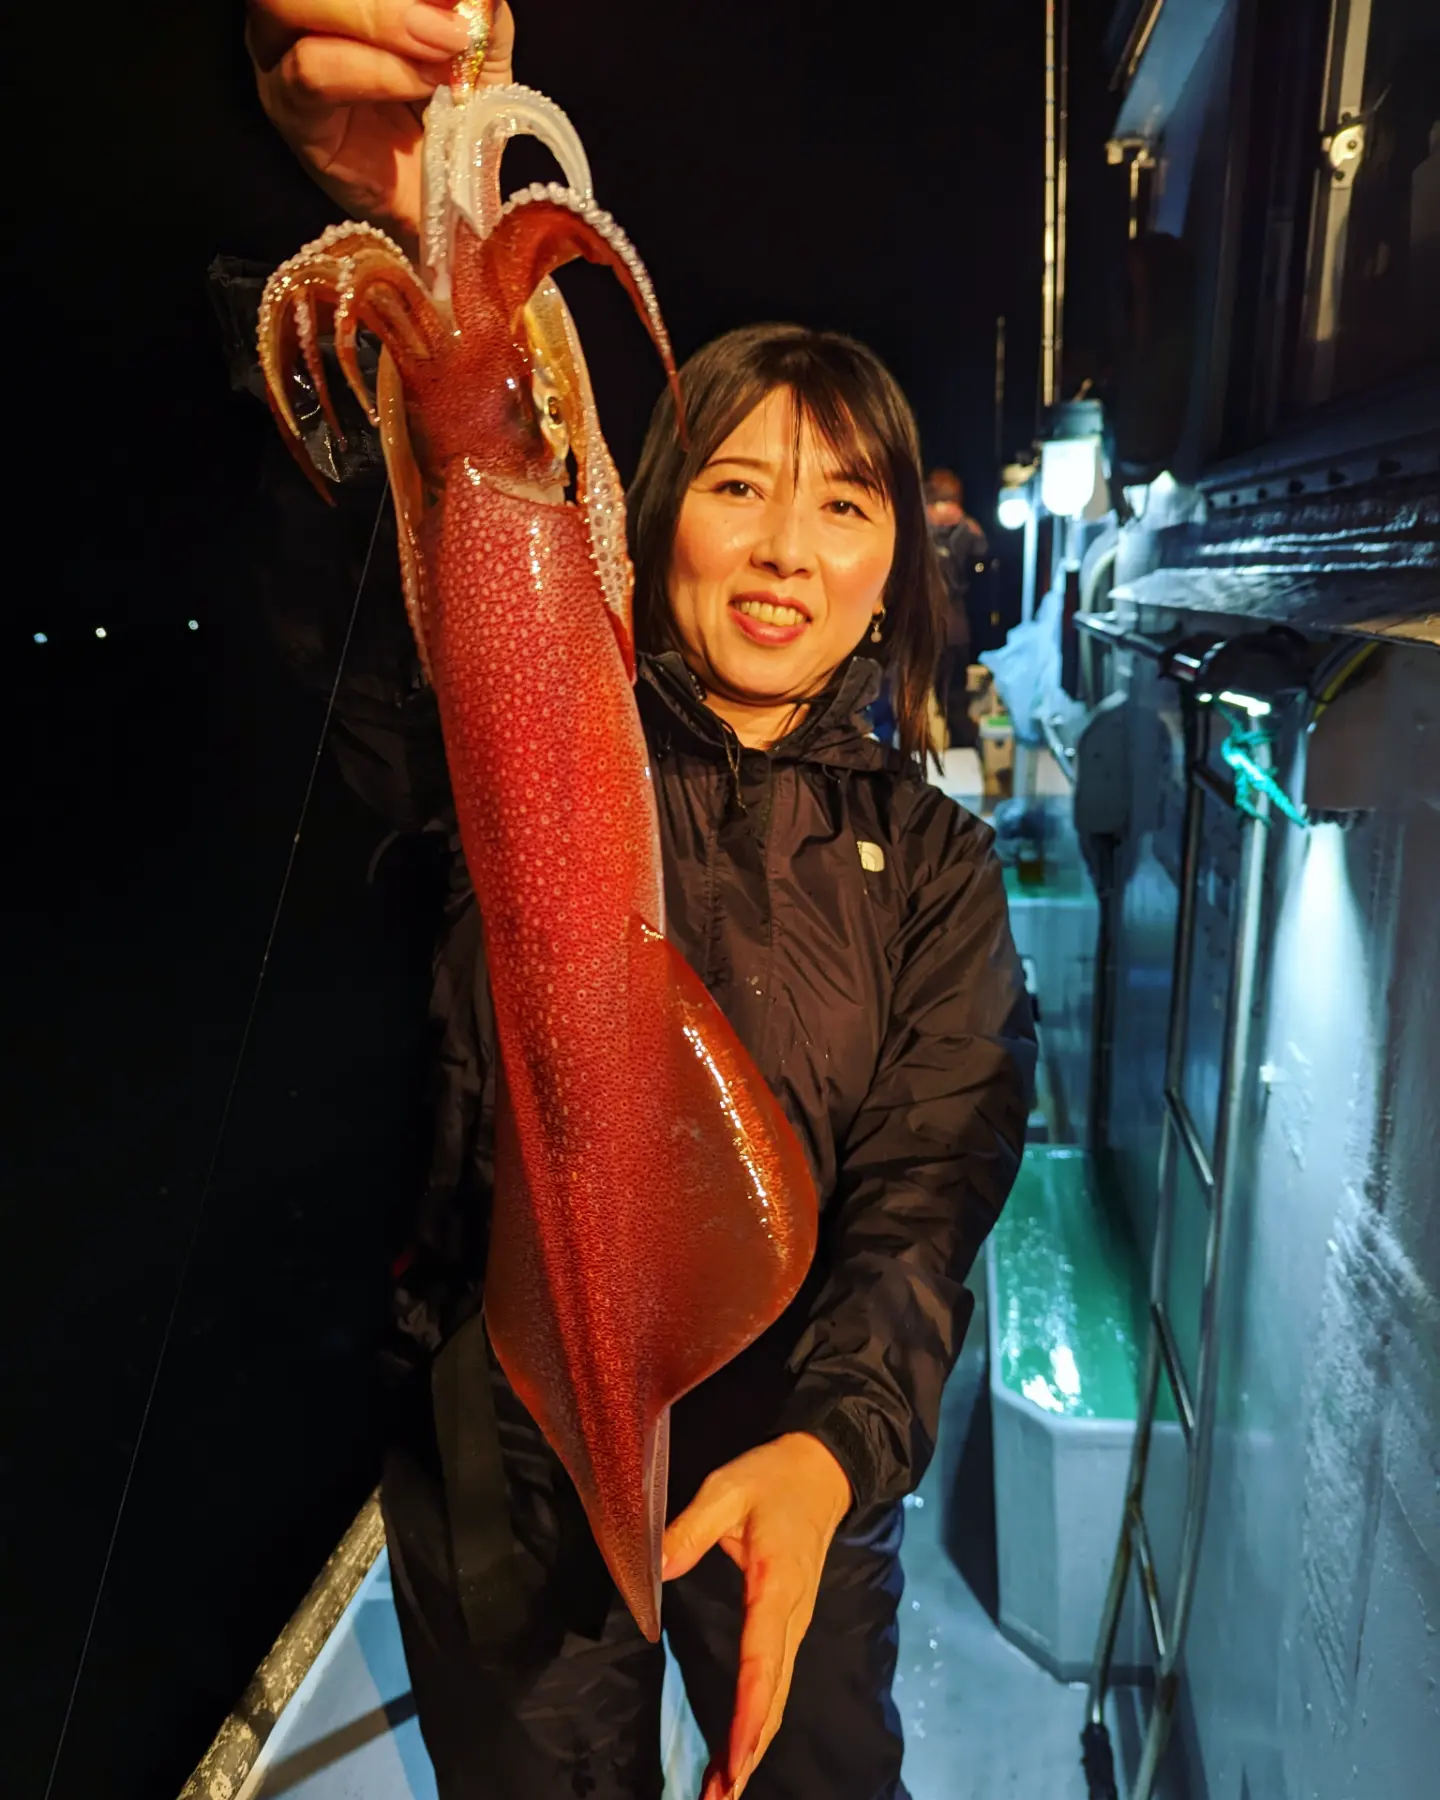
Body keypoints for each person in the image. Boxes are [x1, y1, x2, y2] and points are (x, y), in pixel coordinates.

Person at [246, 7, 1035, 1797]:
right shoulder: (509, 728)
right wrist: (363, 233)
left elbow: (928, 1187)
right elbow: (362, 650)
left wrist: (834, 1449)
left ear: (898, 560)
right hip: (505, 1429)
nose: (785, 550)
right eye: (739, 484)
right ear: (660, 505)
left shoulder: (934, 866)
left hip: (785, 1436)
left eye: (846, 505)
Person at [923, 467, 989, 750]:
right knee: (955, 698)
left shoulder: (917, 524)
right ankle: (962, 751)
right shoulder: (969, 528)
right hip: (955, 627)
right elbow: (982, 562)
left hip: (925, 627)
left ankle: (930, 752)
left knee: (921, 698)